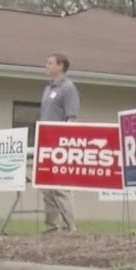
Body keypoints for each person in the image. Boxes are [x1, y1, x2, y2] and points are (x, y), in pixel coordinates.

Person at [39, 52, 80, 234]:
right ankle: (51, 226)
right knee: (46, 188)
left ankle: (69, 226)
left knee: (61, 188)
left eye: (50, 63)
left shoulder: (68, 88)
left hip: (59, 144)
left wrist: (65, 142)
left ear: (61, 66)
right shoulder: (47, 89)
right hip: (45, 142)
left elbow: (72, 117)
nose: (46, 66)